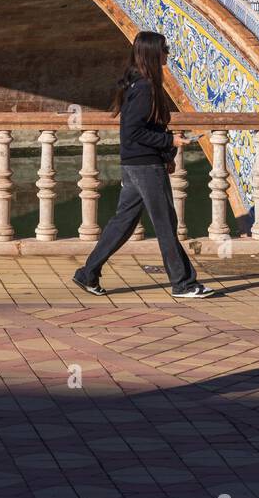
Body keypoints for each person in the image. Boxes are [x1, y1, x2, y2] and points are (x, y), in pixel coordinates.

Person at [73, 32, 214, 300]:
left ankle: (87, 272)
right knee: (165, 223)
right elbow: (133, 132)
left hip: (138, 165)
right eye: (165, 49)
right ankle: (183, 284)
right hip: (144, 168)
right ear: (152, 53)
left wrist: (167, 153)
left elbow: (145, 128)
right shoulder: (145, 88)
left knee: (123, 222)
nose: (167, 54)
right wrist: (168, 140)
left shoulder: (138, 85)